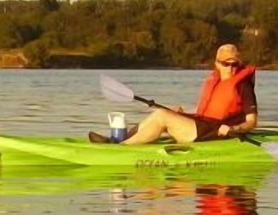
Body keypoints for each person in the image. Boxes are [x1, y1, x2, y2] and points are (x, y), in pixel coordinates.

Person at [91, 43, 258, 144]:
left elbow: (252, 122)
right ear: (217, 63)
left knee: (163, 116)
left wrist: (234, 128)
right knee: (161, 113)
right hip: (204, 127)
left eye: (234, 64)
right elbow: (207, 114)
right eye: (225, 64)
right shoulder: (215, 80)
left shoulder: (243, 85)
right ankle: (119, 140)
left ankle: (121, 149)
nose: (230, 68)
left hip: (216, 134)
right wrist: (184, 115)